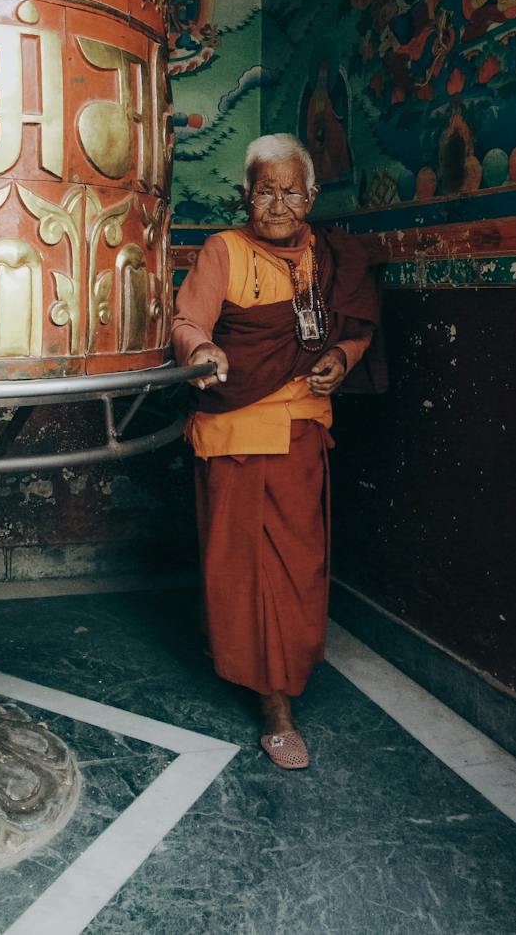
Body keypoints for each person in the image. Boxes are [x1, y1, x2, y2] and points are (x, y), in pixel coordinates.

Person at [171, 134, 381, 769]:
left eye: (291, 192)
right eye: (266, 191)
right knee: (242, 569)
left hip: (302, 433)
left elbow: (357, 330)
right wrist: (201, 352)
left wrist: (341, 359)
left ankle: (285, 669)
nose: (278, 204)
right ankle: (274, 703)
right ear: (247, 196)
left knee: (298, 565)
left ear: (311, 196)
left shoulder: (332, 256)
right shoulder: (224, 251)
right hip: (237, 436)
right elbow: (187, 322)